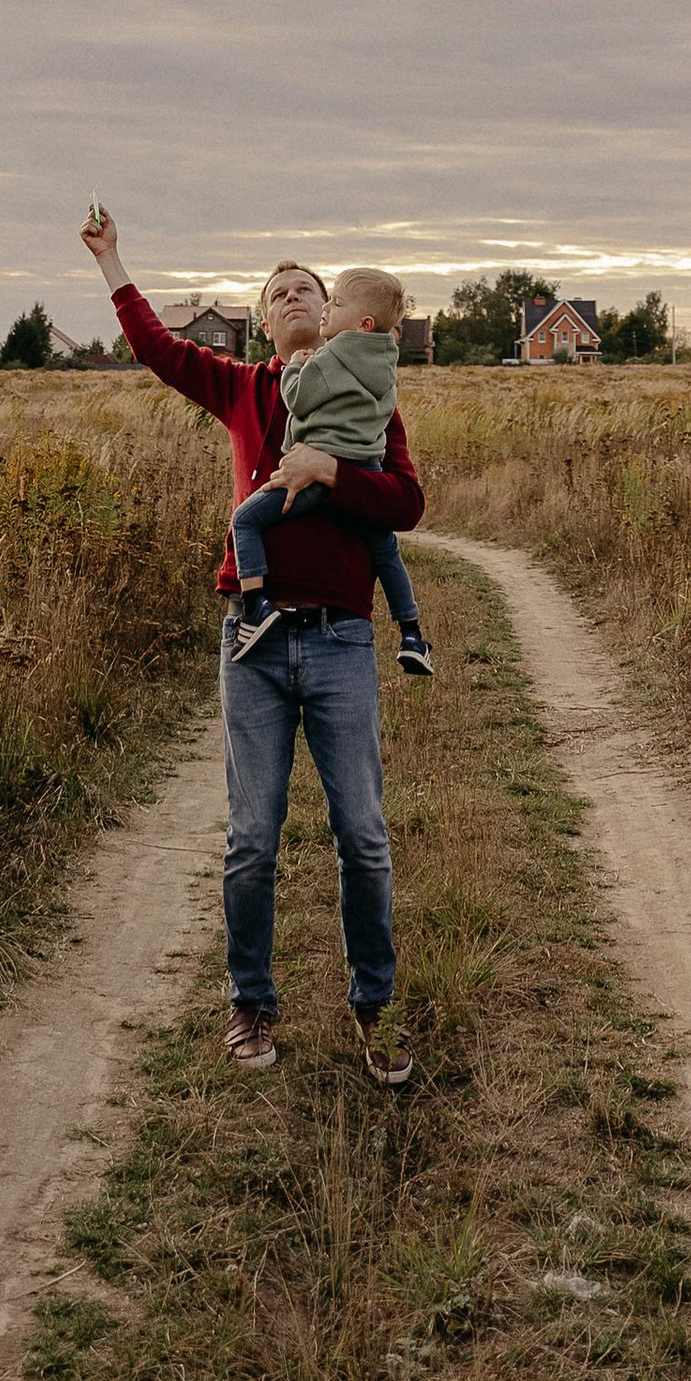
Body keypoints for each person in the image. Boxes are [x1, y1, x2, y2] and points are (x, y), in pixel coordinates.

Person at [80, 206, 422, 1084]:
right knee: (252, 840)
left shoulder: (366, 390)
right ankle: (251, 1005)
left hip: (343, 638)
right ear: (264, 324)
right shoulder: (243, 391)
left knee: (364, 837)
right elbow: (160, 350)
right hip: (254, 644)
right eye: (278, 293)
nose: (295, 297)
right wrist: (114, 261)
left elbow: (406, 508)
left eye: (307, 286)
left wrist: (330, 473)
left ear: (335, 311)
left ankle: (374, 1009)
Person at [227, 265, 433, 675]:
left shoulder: (333, 356)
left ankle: (254, 605)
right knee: (386, 551)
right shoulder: (384, 358)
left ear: (360, 322)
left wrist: (296, 368)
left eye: (332, 301)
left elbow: (299, 401)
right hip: (371, 465)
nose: (323, 309)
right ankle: (411, 633)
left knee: (244, 520)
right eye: (279, 294)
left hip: (320, 484)